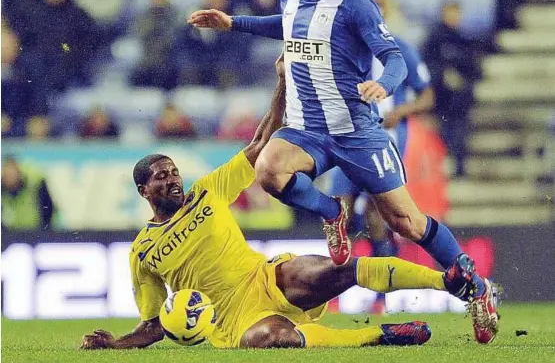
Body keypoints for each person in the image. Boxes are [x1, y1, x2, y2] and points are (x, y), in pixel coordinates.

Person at [188, 0, 497, 343]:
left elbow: (396, 59)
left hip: (357, 133)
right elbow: (285, 23)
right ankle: (332, 211)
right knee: (269, 171)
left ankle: (478, 291)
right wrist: (233, 22)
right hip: (308, 129)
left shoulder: (357, 5)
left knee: (406, 222)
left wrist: (382, 85)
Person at [79, 56, 482, 350]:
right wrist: (115, 344)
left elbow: (257, 148)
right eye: (160, 178)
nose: (172, 180)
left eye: (172, 172)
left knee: (341, 270)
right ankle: (377, 336)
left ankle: (445, 281)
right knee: (273, 339)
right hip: (233, 320)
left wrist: (284, 83)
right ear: (143, 192)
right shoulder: (142, 252)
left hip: (265, 277)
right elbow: (153, 324)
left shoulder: (206, 190)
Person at [328, 0, 435, 313]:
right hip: (347, 138)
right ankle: (334, 285)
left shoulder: (400, 48)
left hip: (385, 140)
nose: (376, 2)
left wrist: (400, 111)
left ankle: (382, 295)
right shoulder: (345, 46)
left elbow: (428, 96)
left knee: (377, 211)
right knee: (338, 210)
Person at [422, 1, 482, 177]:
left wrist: (462, 80)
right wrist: (443, 77)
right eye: (450, 13)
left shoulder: (463, 39)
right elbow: (427, 64)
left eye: (456, 13)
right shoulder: (434, 38)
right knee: (444, 133)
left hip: (461, 98)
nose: (454, 17)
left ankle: (459, 167)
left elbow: (474, 68)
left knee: (461, 132)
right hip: (442, 98)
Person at [1, 156, 55, 230]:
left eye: (12, 173)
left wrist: (44, 230)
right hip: (12, 232)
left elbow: (48, 208)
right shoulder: (3, 190)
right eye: (7, 175)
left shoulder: (35, 182)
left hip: (35, 230)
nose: (10, 177)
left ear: (18, 171)